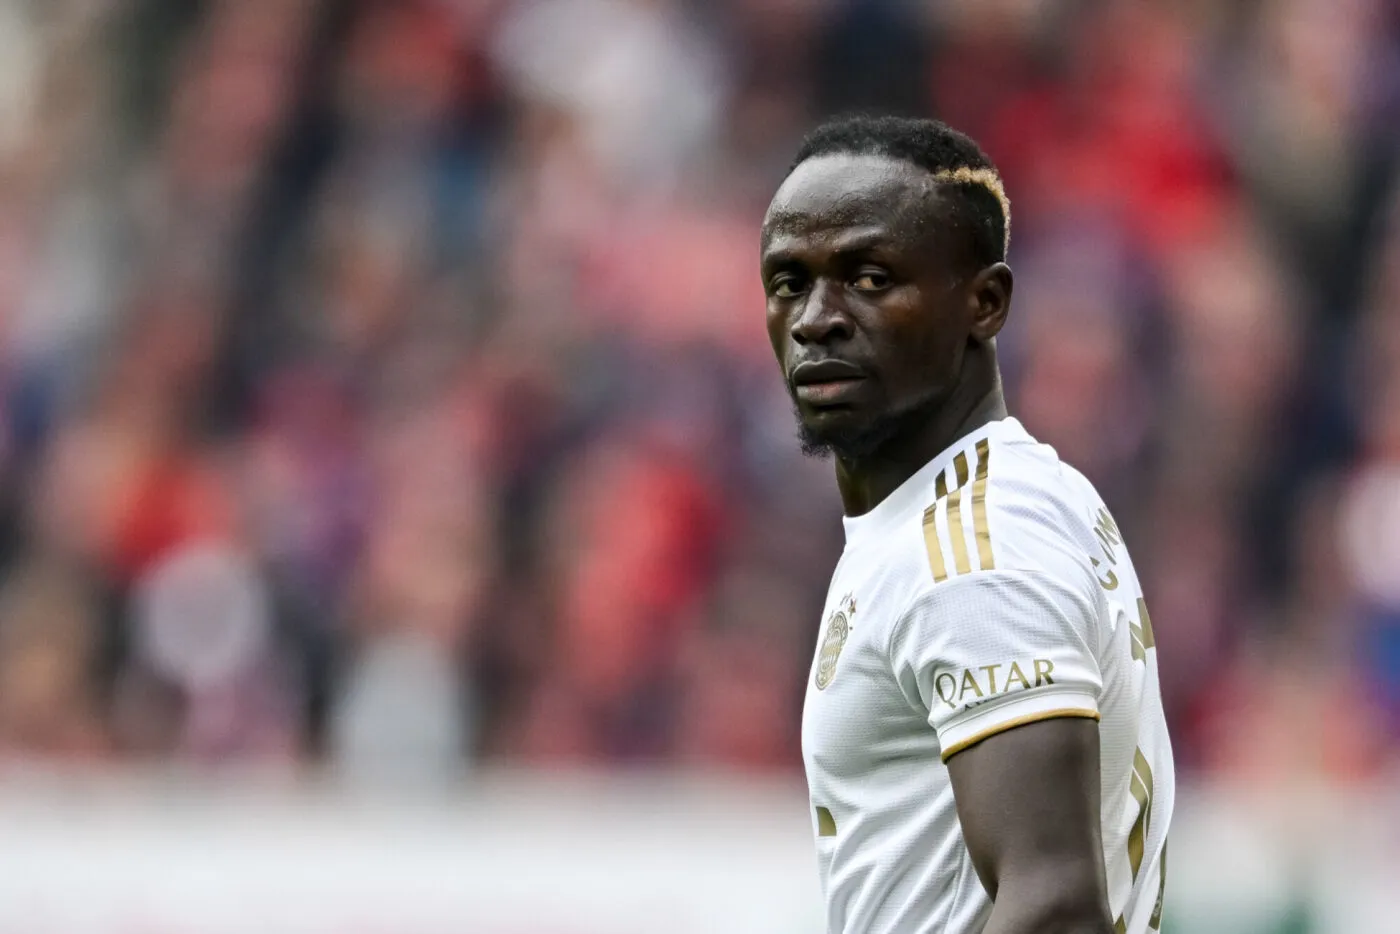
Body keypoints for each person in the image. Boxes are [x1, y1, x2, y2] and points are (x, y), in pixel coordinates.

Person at [760, 114, 1172, 934]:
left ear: (985, 303)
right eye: (788, 281)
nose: (816, 318)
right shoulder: (976, 505)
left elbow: (1053, 909)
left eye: (870, 278)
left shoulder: (975, 550)